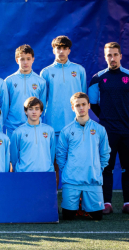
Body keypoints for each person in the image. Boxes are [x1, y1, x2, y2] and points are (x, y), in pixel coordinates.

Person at [88, 42, 129, 215]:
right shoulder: (97, 78)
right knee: (107, 167)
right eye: (109, 55)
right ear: (105, 57)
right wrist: (106, 119)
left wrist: (127, 117)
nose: (112, 58)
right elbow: (94, 104)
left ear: (121, 56)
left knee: (128, 167)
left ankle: (128, 203)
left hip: (128, 131)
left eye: (115, 55)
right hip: (107, 131)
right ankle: (107, 203)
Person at [40, 36, 87, 186]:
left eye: (64, 48)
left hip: (74, 125)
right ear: (53, 50)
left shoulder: (78, 70)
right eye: (58, 48)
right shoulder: (46, 72)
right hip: (53, 125)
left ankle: (73, 200)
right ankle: (53, 198)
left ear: (69, 50)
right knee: (53, 164)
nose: (61, 51)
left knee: (74, 163)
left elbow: (83, 97)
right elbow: (42, 101)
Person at [57, 92, 111, 221]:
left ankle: (86, 205)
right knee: (68, 217)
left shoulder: (99, 129)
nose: (81, 108)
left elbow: (105, 153)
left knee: (97, 217)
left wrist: (98, 169)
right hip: (71, 181)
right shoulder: (66, 131)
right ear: (72, 108)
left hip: (92, 180)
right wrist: (68, 170)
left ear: (89, 106)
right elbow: (60, 154)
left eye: (83, 104)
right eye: (77, 105)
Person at [4, 44, 46, 138]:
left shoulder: (40, 82)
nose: (25, 62)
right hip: (13, 127)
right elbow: (5, 106)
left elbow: (42, 107)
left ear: (33, 60)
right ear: (17, 60)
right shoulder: (9, 81)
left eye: (28, 59)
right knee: (13, 153)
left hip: (33, 127)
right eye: (22, 59)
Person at [10, 97, 55, 172]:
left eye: (37, 109)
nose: (34, 112)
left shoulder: (49, 131)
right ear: (25, 111)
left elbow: (52, 153)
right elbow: (14, 157)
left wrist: (49, 167)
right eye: (30, 109)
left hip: (46, 173)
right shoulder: (18, 132)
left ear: (41, 112)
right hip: (24, 174)